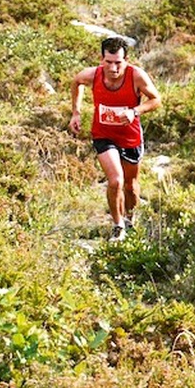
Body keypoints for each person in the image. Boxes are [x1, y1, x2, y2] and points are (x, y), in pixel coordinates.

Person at [69, 36, 161, 242]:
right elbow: (76, 82)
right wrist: (76, 112)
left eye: (118, 63)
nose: (113, 68)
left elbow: (156, 100)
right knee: (115, 181)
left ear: (126, 60)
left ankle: (130, 218)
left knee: (130, 185)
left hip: (130, 137)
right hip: (103, 135)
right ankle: (117, 225)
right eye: (108, 62)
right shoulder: (93, 75)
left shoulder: (136, 76)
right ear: (101, 59)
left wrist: (134, 111)